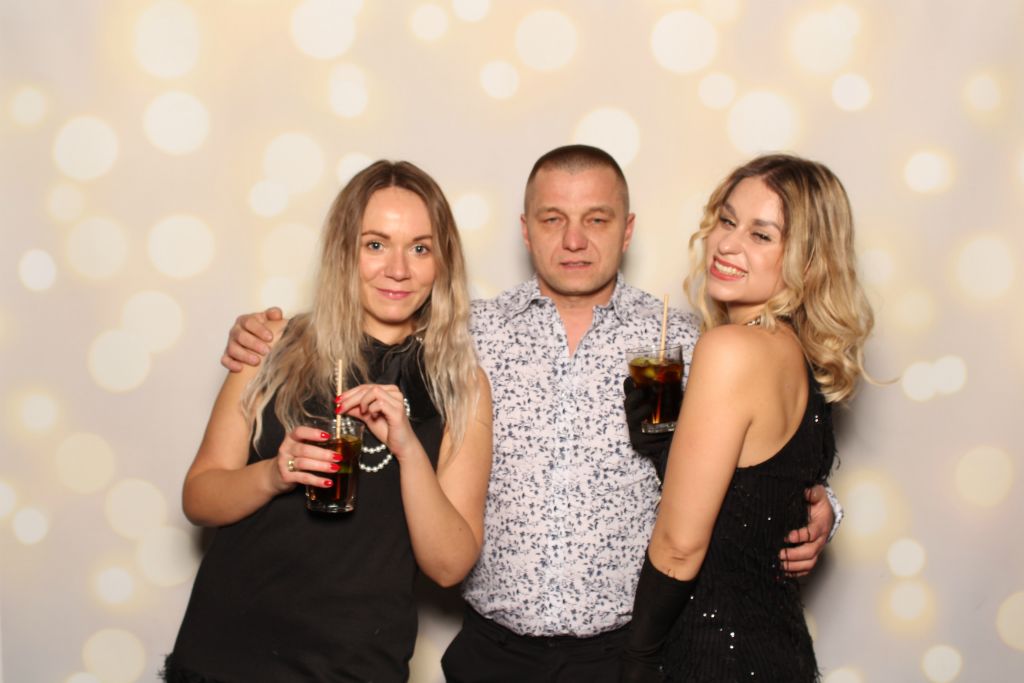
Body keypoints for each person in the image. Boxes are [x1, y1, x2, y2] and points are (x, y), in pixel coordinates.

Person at [222, 145, 839, 683]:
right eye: (553, 219)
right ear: (525, 229)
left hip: (629, 652)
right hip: (493, 651)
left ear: (627, 230)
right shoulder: (461, 337)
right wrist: (269, 335)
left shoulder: (684, 341)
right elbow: (360, 333)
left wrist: (820, 508)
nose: (574, 240)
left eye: (596, 219)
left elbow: (764, 453)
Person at [162, 160, 493, 682]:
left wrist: (409, 450)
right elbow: (199, 497)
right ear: (344, 251)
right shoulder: (272, 345)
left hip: (354, 665)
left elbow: (449, 565)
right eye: (375, 244)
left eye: (420, 248)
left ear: (442, 262)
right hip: (228, 655)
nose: (398, 269)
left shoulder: (460, 383)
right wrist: (275, 473)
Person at [621, 154, 874, 682]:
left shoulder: (730, 349)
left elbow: (680, 545)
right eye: (727, 220)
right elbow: (754, 498)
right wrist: (666, 444)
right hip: (779, 652)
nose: (727, 244)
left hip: (714, 658)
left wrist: (638, 658)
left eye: (761, 235)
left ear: (808, 260)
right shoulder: (800, 353)